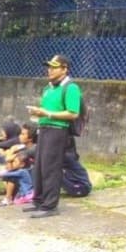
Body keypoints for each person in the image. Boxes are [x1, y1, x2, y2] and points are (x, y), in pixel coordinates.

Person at [26, 54, 81, 218]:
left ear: (64, 69)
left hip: (58, 131)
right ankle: (39, 201)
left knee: (51, 167)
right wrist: (38, 113)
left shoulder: (70, 87)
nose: (49, 70)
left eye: (54, 67)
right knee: (40, 165)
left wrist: (47, 113)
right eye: (49, 67)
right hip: (43, 129)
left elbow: (73, 113)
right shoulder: (48, 88)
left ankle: (50, 206)